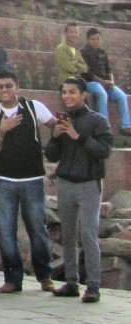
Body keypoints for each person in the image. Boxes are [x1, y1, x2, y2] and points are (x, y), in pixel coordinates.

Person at [0, 69, 57, 294]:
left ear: (17, 87)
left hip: (32, 179)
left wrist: (60, 154)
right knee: (5, 231)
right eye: (0, 87)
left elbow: (57, 127)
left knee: (37, 228)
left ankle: (45, 276)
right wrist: (2, 131)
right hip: (4, 180)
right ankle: (13, 278)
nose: (4, 90)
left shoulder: (34, 108)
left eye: (8, 86)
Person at [45, 77, 113, 303]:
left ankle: (93, 285)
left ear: (83, 94)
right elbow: (52, 156)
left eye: (72, 92)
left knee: (88, 234)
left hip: (88, 184)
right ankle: (71, 282)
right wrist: (55, 138)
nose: (67, 97)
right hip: (65, 183)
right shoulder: (61, 121)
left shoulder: (97, 121)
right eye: (64, 93)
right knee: (68, 235)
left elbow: (103, 151)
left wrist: (77, 136)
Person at [80, 27, 131, 136]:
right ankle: (104, 125)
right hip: (90, 82)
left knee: (122, 96)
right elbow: (86, 73)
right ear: (88, 40)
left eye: (97, 39)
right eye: (93, 39)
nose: (95, 41)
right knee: (102, 94)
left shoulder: (102, 52)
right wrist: (103, 82)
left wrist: (111, 81)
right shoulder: (83, 52)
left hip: (105, 82)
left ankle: (125, 126)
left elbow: (108, 69)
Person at [53, 22, 90, 88]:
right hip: (65, 83)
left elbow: (85, 69)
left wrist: (76, 64)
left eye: (76, 32)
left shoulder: (76, 50)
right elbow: (69, 68)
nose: (74, 34)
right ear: (66, 33)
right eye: (71, 32)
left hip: (77, 82)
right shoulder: (61, 48)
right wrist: (78, 68)